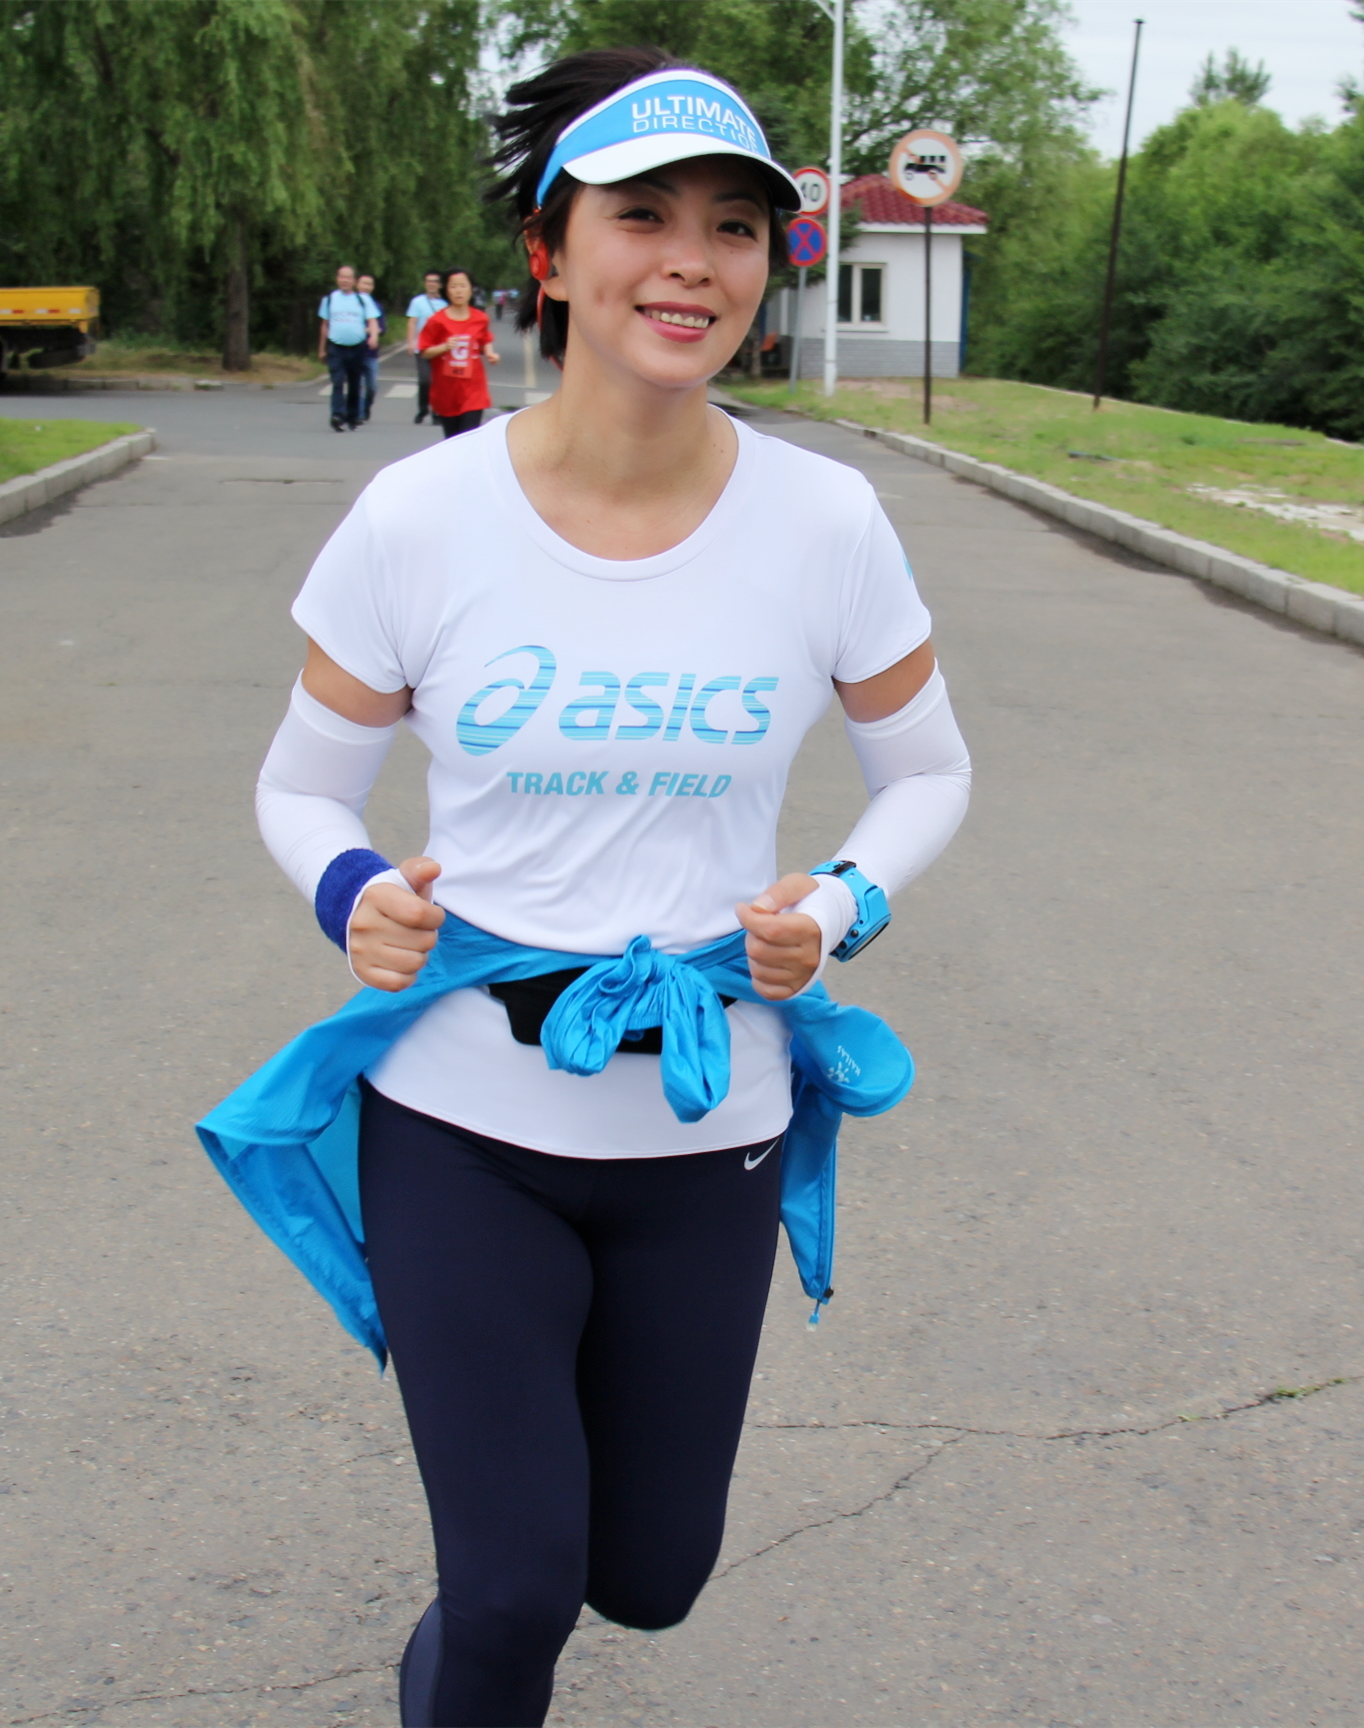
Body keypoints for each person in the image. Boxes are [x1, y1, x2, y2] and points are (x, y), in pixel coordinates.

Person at [227, 45, 970, 1728]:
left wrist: (837, 906)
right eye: (643, 216)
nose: (690, 261)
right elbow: (301, 786)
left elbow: (928, 772)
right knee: (511, 1589)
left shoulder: (827, 521)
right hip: (460, 1118)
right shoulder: (420, 519)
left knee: (646, 1574)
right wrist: (351, 888)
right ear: (551, 256)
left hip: (709, 1126)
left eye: (732, 226)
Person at [417, 267, 498, 438]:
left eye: (463, 286)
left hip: (473, 390)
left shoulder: (480, 318)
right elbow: (424, 351)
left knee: (469, 437)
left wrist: (491, 353)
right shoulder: (437, 321)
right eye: (453, 286)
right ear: (446, 290)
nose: (458, 291)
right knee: (453, 440)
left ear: (471, 289)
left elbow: (485, 339)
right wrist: (444, 347)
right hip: (446, 390)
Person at [318, 264, 378, 433]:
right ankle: (337, 415)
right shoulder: (330, 299)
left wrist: (373, 336)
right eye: (341, 277)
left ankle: (352, 416)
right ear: (337, 279)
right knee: (337, 382)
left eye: (348, 277)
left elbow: (372, 320)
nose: (344, 280)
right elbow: (324, 325)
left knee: (354, 383)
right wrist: (321, 349)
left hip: (357, 346)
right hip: (336, 346)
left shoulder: (363, 300)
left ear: (354, 280)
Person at [405, 270, 445, 424]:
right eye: (429, 281)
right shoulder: (417, 302)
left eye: (435, 281)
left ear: (440, 284)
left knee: (438, 382)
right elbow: (412, 322)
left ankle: (437, 413)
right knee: (425, 380)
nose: (431, 284)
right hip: (422, 348)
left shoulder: (446, 303)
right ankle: (423, 409)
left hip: (441, 349)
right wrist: (410, 342)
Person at [357, 273, 384, 424]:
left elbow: (382, 328)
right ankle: (359, 413)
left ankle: (366, 407)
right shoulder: (352, 304)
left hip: (371, 352)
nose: (366, 287)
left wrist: (371, 330)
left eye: (369, 284)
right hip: (354, 351)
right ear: (357, 285)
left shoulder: (377, 306)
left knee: (372, 386)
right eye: (364, 283)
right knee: (358, 384)